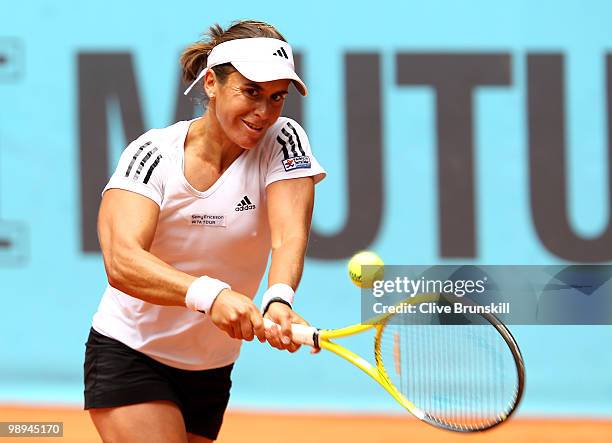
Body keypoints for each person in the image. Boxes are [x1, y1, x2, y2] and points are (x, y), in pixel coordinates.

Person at [83, 20, 326, 443]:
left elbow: (288, 236)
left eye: (276, 98)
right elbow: (122, 260)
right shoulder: (152, 154)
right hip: (131, 352)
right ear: (211, 83)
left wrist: (279, 300)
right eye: (250, 92)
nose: (264, 113)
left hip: (210, 369)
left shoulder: (284, 139)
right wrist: (210, 295)